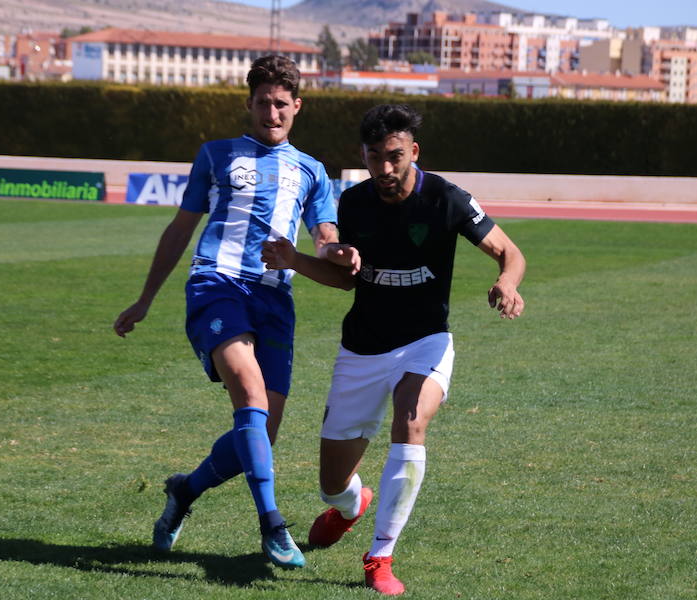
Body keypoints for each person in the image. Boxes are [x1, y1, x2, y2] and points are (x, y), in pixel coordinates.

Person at [261, 104, 526, 594]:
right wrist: (295, 258)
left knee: (411, 419)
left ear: (414, 152)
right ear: (363, 155)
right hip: (362, 349)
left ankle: (380, 555)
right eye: (375, 158)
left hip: (426, 341)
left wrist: (507, 283)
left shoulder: (446, 198)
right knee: (331, 483)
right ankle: (349, 506)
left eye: (395, 157)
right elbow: (344, 281)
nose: (385, 169)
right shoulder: (355, 202)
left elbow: (510, 252)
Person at [113, 55, 345, 569]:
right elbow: (179, 228)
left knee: (261, 432)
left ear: (297, 107)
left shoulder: (312, 171)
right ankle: (273, 525)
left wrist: (338, 252)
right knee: (250, 393)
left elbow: (324, 235)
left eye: (281, 103)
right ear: (249, 104)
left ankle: (185, 490)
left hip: (275, 298)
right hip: (216, 283)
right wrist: (146, 299)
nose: (271, 112)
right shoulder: (216, 155)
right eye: (263, 102)